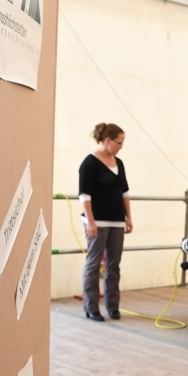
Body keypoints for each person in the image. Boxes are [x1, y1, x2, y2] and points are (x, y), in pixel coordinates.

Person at [78, 122, 133, 321]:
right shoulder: (90, 163)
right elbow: (84, 195)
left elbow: (125, 192)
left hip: (117, 220)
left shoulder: (119, 163)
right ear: (107, 140)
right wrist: (90, 221)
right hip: (97, 220)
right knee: (94, 264)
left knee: (114, 264)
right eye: (119, 142)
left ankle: (113, 306)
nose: (121, 146)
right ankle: (91, 307)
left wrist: (128, 217)